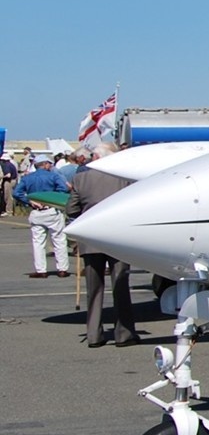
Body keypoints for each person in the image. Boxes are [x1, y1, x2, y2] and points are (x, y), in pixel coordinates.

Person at [66, 144, 141, 346]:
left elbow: (71, 209)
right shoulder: (124, 180)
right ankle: (124, 334)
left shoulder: (80, 179)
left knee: (94, 289)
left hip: (91, 240)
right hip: (118, 240)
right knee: (121, 287)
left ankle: (94, 335)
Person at [14, 153, 72, 277]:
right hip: (52, 210)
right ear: (45, 164)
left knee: (38, 242)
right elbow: (63, 189)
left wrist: (29, 201)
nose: (50, 166)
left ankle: (41, 270)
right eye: (49, 164)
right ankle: (62, 269)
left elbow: (17, 193)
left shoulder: (28, 178)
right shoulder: (53, 176)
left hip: (37, 211)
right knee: (59, 239)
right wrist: (55, 199)